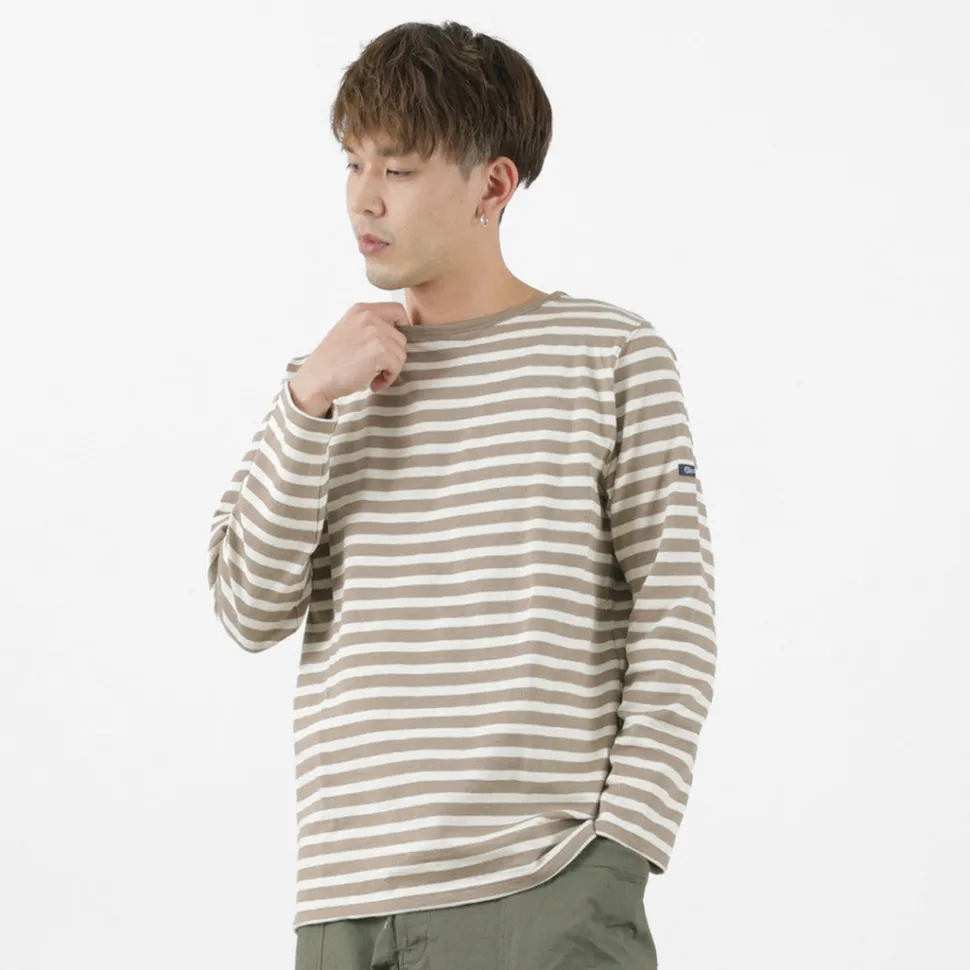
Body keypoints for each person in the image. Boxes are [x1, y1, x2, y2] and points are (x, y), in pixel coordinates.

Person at [206, 19, 717, 970]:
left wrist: (619, 852)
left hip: (540, 885)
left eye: (398, 169)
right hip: (345, 901)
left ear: (494, 185)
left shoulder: (610, 354)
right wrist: (308, 401)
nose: (364, 197)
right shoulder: (328, 381)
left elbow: (676, 612)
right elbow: (248, 607)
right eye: (353, 162)